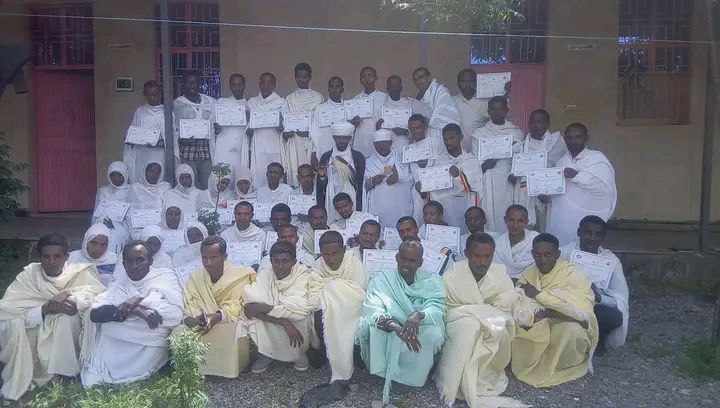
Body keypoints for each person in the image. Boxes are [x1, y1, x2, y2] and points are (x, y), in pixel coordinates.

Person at [0, 234, 104, 401]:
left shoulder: (80, 274)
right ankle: (38, 370)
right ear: (39, 257)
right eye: (46, 257)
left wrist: (74, 301)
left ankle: (66, 372)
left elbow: (97, 296)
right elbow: (7, 312)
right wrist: (44, 309)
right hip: (38, 325)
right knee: (20, 325)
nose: (51, 261)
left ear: (67, 256)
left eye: (57, 256)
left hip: (70, 330)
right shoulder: (28, 276)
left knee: (65, 318)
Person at [435, 233, 524, 408]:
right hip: (457, 321)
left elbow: (506, 301)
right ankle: (458, 381)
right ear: (467, 253)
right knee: (470, 327)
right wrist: (484, 311)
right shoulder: (451, 276)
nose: (483, 262)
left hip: (491, 320)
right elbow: (448, 310)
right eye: (477, 256)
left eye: (487, 256)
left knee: (499, 326)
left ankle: (485, 378)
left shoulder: (499, 274)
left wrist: (482, 312)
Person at [81, 241, 184, 387]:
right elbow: (95, 313)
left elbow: (175, 315)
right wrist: (136, 310)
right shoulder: (119, 285)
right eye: (129, 261)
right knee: (108, 326)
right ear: (123, 264)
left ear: (150, 261)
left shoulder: (165, 277)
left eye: (140, 260)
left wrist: (131, 307)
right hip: (118, 345)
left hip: (149, 345)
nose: (134, 266)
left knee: (111, 325)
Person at [356, 240, 446, 404]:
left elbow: (437, 308)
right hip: (390, 326)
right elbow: (373, 310)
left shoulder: (431, 281)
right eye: (403, 259)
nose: (406, 264)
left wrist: (418, 315)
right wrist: (396, 327)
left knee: (434, 334)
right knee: (373, 329)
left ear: (420, 262)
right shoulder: (382, 279)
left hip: (418, 326)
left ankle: (413, 377)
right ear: (397, 258)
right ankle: (384, 374)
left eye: (412, 260)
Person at [511, 233, 598, 387]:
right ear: (532, 254)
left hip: (567, 323)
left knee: (571, 331)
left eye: (548, 255)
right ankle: (534, 365)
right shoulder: (529, 273)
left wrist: (540, 297)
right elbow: (519, 305)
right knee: (522, 326)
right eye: (538, 255)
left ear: (557, 254)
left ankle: (564, 365)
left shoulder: (573, 274)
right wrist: (533, 316)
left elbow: (582, 316)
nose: (542, 260)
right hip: (541, 323)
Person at [301, 231, 366, 406]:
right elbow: (313, 298)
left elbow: (359, 292)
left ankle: (348, 361)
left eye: (334, 253)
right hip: (327, 308)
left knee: (341, 316)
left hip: (352, 308)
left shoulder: (354, 263)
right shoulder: (318, 265)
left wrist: (331, 286)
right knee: (318, 315)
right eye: (326, 254)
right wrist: (335, 289)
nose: (330, 259)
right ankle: (327, 355)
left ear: (343, 249)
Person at [178, 236, 256, 377]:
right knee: (178, 332)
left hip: (228, 319)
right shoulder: (196, 276)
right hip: (201, 320)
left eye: (213, 258)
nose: (208, 263)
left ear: (224, 257)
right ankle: (194, 370)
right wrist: (195, 320)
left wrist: (217, 316)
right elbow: (190, 301)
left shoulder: (241, 275)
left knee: (233, 331)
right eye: (204, 258)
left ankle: (230, 369)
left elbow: (240, 305)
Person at [560, 215, 628, 355]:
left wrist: (599, 297)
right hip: (567, 302)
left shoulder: (611, 261)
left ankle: (598, 339)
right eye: (588, 233)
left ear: (603, 238)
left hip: (596, 306)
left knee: (612, 317)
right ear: (579, 232)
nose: (592, 238)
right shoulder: (564, 253)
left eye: (598, 234)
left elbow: (620, 297)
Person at [242, 241, 315, 373]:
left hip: (296, 321)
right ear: (271, 261)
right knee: (254, 319)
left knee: (301, 315)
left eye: (285, 261)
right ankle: (268, 353)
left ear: (294, 261)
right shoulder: (265, 275)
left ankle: (299, 353)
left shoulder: (303, 275)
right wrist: (284, 322)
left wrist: (266, 307)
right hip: (276, 321)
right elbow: (249, 310)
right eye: (276, 261)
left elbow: (300, 310)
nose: (280, 266)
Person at [545, 123, 617, 245]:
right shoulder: (561, 162)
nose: (573, 141)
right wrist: (548, 197)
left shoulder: (597, 159)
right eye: (569, 137)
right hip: (563, 220)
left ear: (586, 138)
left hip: (587, 217)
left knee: (584, 248)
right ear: (565, 139)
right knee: (562, 250)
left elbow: (604, 188)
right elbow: (560, 191)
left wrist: (577, 176)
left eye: (578, 137)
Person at [472, 96, 524, 233]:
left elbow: (521, 159)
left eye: (500, 109)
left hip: (508, 180)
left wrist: (515, 172)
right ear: (489, 111)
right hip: (488, 180)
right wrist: (484, 165)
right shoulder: (479, 133)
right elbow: (475, 163)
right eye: (494, 109)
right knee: (488, 214)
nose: (497, 112)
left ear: (507, 110)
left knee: (508, 213)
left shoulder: (516, 132)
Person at [512, 109, 567, 231]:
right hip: (524, 194)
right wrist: (513, 175)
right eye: (533, 122)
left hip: (545, 196)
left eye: (540, 122)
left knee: (544, 230)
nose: (535, 125)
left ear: (547, 124)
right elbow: (513, 169)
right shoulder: (521, 146)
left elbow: (562, 166)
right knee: (524, 230)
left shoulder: (558, 143)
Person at [423, 124, 483, 233]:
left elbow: (475, 189)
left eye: (452, 138)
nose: (448, 142)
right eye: (445, 139)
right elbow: (431, 185)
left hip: (461, 206)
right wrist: (424, 185)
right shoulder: (438, 161)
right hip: (442, 207)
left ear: (460, 137)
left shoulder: (470, 161)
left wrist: (458, 176)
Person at [173, 70, 218, 189]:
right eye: (189, 83)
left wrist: (216, 129)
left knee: (207, 184)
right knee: (189, 185)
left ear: (199, 84)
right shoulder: (177, 104)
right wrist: (181, 140)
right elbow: (173, 130)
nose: (192, 86)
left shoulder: (210, 103)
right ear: (183, 84)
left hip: (205, 152)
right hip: (187, 152)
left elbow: (215, 124)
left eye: (195, 83)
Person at [282, 62, 324, 186]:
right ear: (295, 77)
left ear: (310, 77)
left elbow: (320, 123)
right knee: (295, 171)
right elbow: (285, 121)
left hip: (311, 141)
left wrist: (309, 132)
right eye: (299, 77)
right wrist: (286, 133)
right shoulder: (289, 99)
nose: (302, 80)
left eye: (305, 77)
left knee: (311, 174)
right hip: (294, 142)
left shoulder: (318, 98)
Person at [452, 68, 510, 153]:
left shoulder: (486, 101)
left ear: (476, 82)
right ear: (458, 83)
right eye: (464, 81)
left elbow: (499, 116)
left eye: (471, 81)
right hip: (460, 152)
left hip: (482, 149)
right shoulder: (452, 102)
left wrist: (506, 93)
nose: (467, 85)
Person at [364, 129, 413, 228]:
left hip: (400, 207)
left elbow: (410, 179)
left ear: (390, 143)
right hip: (378, 208)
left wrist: (398, 177)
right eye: (378, 144)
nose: (381, 146)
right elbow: (364, 185)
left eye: (384, 143)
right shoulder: (368, 162)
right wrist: (373, 181)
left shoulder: (401, 159)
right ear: (374, 145)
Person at [317, 122, 366, 222]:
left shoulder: (357, 156)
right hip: (332, 193)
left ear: (349, 138)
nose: (341, 141)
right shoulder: (327, 156)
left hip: (351, 194)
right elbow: (321, 183)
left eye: (344, 138)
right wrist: (322, 176)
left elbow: (360, 181)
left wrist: (345, 165)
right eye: (338, 138)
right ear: (334, 138)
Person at [124, 80, 170, 183]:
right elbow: (133, 130)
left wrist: (161, 143)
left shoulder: (167, 112)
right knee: (143, 176)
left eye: (155, 95)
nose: (152, 98)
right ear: (144, 94)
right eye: (149, 95)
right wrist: (130, 138)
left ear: (160, 94)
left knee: (160, 178)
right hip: (143, 153)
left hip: (160, 153)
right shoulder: (140, 112)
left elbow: (173, 135)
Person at [247, 72, 287, 187]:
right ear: (259, 84)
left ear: (274, 85)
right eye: (263, 82)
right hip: (258, 147)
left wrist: (279, 124)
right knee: (258, 176)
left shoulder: (281, 103)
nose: (266, 85)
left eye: (269, 83)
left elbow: (285, 129)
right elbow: (248, 132)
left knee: (275, 176)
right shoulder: (251, 103)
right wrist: (250, 122)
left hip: (275, 146)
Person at [412, 67, 460, 150]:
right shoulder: (419, 97)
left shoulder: (441, 91)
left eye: (420, 77)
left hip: (440, 136)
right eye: (415, 80)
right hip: (427, 138)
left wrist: (426, 121)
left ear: (428, 78)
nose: (418, 82)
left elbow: (446, 116)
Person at [92, 162, 131, 255]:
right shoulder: (103, 191)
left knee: (113, 236)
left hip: (123, 227)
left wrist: (114, 225)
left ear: (125, 175)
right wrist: (102, 221)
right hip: (102, 222)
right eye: (113, 175)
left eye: (119, 175)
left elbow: (132, 216)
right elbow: (97, 212)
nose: (116, 178)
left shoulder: (131, 191)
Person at [348, 66, 387, 158]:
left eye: (370, 75)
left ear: (376, 78)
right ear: (360, 80)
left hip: (378, 140)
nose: (367, 79)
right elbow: (350, 124)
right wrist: (353, 123)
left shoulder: (384, 97)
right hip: (359, 141)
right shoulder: (355, 99)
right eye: (363, 76)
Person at [214, 73, 249, 171]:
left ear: (244, 85)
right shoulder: (221, 103)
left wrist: (249, 119)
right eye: (233, 85)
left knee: (240, 173)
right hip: (224, 146)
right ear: (230, 86)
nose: (237, 88)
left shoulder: (249, 105)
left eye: (239, 84)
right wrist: (216, 128)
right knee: (224, 174)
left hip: (242, 146)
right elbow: (213, 126)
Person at [494, 205, 539, 279]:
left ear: (526, 222)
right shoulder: (498, 243)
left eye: (520, 221)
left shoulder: (535, 239)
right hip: (502, 282)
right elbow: (495, 269)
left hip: (531, 281)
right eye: (511, 220)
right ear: (505, 220)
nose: (515, 225)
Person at [309, 76, 346, 162]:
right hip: (323, 149)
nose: (334, 89)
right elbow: (314, 132)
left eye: (337, 87)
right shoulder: (320, 108)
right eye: (331, 87)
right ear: (328, 89)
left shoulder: (348, 108)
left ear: (342, 89)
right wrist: (313, 152)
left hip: (343, 152)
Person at [377, 75, 417, 152]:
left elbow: (419, 130)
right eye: (391, 86)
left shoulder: (409, 105)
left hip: (407, 148)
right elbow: (378, 133)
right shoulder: (382, 108)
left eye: (397, 86)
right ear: (387, 88)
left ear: (401, 88)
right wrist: (378, 128)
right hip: (388, 151)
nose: (394, 89)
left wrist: (405, 132)